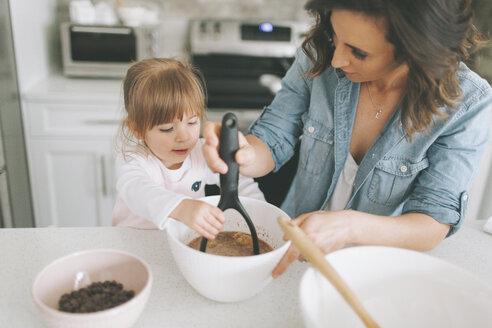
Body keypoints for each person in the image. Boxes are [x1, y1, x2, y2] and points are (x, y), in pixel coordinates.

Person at [202, 0, 492, 277]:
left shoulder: (466, 103)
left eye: (358, 52)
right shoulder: (320, 53)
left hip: (379, 270)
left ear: (416, 50)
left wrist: (349, 226)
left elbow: (431, 224)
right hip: (295, 252)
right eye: (335, 36)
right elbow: (272, 137)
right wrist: (244, 154)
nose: (337, 59)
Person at [112, 58, 265, 239]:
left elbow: (240, 183)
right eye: (167, 129)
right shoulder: (132, 161)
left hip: (181, 242)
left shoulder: (201, 152)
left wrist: (261, 215)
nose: (184, 137)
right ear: (137, 129)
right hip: (135, 242)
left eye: (192, 122)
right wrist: (182, 207)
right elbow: (138, 191)